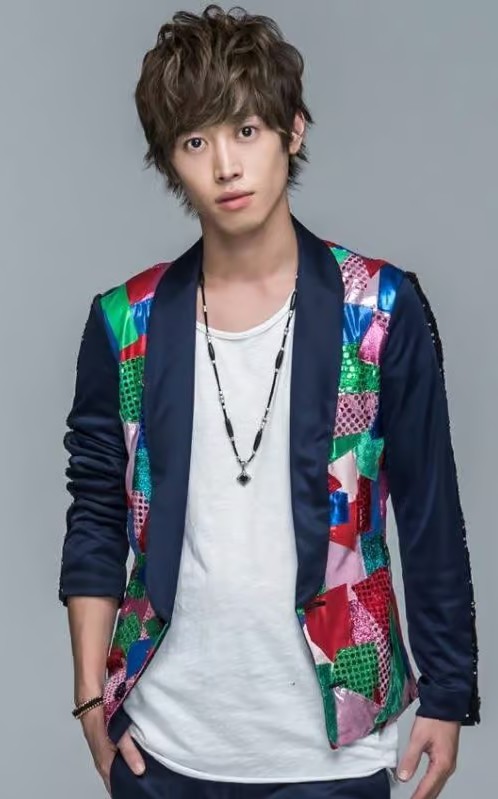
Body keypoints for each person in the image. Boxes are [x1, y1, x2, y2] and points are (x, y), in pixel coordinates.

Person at [58, 5, 480, 798]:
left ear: (294, 130)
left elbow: (429, 509)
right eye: (195, 141)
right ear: (169, 160)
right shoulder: (125, 322)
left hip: (337, 746)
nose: (225, 165)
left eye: (246, 130)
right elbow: (97, 512)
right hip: (164, 742)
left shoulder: (380, 310)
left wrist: (449, 690)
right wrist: (90, 698)